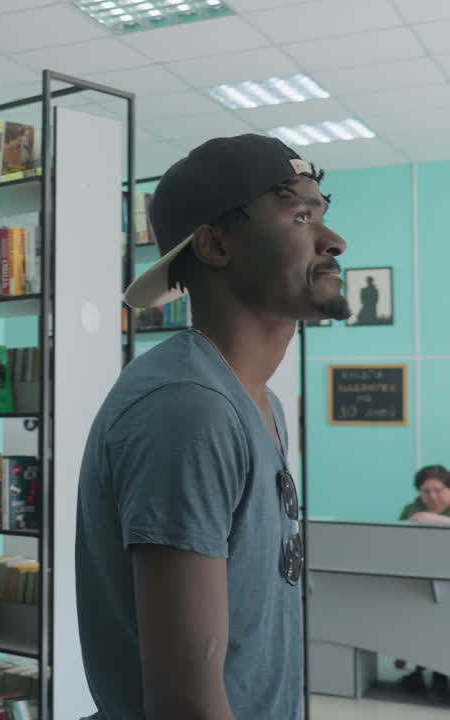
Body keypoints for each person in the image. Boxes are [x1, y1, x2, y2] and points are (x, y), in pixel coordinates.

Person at [75, 134, 351, 720]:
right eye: (300, 216)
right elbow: (187, 705)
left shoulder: (259, 403)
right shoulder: (188, 408)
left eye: (321, 215)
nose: (334, 241)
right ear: (215, 244)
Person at [394, 465, 450, 699]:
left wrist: (433, 520)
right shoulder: (412, 508)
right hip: (420, 578)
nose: (432, 496)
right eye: (426, 491)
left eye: (438, 490)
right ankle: (417, 669)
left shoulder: (425, 513)